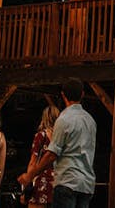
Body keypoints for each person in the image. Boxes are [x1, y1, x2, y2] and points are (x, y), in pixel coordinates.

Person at [26, 78, 97, 208]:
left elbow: (52, 154)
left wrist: (31, 174)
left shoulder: (64, 119)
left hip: (67, 181)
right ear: (82, 94)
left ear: (63, 95)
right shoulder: (90, 121)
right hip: (86, 183)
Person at [18, 105, 60, 208]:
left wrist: (26, 187)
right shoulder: (61, 139)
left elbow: (33, 162)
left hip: (41, 183)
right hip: (58, 183)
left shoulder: (41, 136)